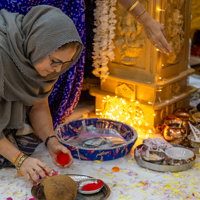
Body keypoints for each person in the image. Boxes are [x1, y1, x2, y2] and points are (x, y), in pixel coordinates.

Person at [0, 5, 83, 185]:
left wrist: (51, 141)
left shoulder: (33, 55)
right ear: (38, 43)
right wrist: (20, 160)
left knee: (28, 143)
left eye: (65, 63)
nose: (58, 70)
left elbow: (38, 105)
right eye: (55, 61)